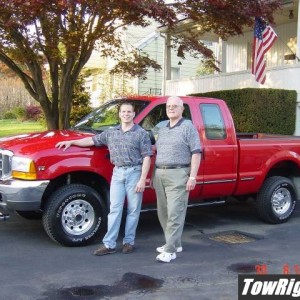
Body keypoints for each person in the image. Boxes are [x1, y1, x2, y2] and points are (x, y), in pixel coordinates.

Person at [56, 102, 152, 255]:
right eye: (123, 111)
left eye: (129, 112)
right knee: (114, 209)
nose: (126, 114)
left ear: (134, 114)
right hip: (118, 173)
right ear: (119, 114)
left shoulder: (141, 133)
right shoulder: (111, 132)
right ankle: (109, 245)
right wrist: (72, 142)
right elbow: (92, 140)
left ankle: (129, 242)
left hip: (135, 172)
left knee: (133, 210)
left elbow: (147, 156)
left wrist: (142, 179)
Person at [152, 96, 201, 263]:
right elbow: (156, 150)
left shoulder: (188, 128)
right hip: (160, 173)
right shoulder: (162, 129)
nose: (171, 108)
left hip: (179, 174)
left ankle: (170, 250)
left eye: (175, 106)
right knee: (163, 212)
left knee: (175, 212)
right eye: (168, 106)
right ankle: (174, 243)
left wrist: (192, 177)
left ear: (182, 109)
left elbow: (196, 153)